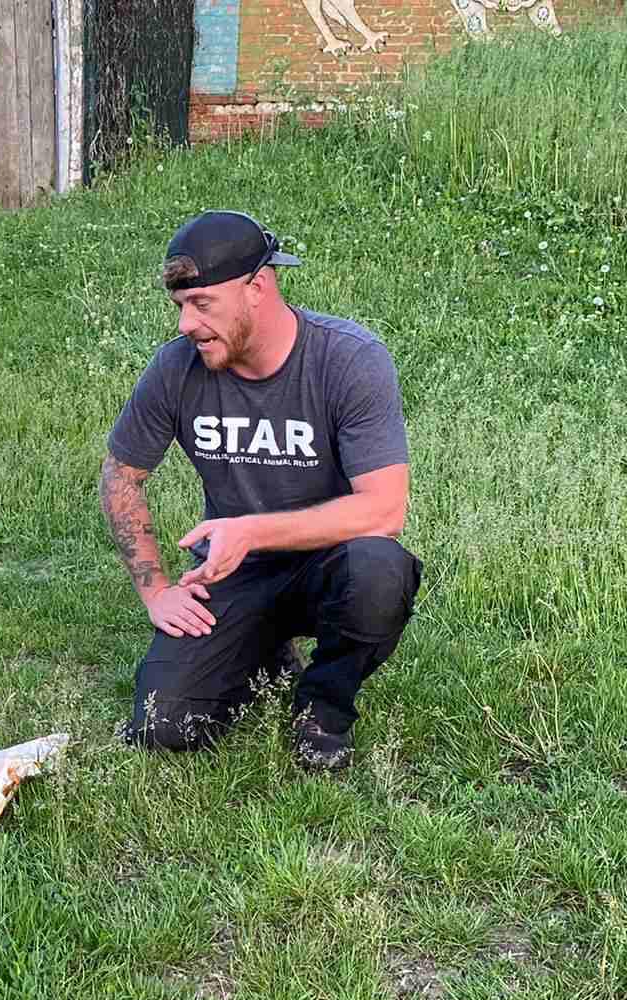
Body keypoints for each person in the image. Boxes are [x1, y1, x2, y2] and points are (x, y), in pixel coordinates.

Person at [99, 210, 422, 770]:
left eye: (203, 304)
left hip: (331, 564)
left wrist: (251, 530)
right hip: (232, 573)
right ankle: (266, 653)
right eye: (180, 306)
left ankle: (323, 709)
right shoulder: (176, 368)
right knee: (164, 726)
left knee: (380, 571)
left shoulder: (348, 359)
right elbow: (120, 476)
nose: (187, 324)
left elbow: (385, 509)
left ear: (257, 288)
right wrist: (156, 590)